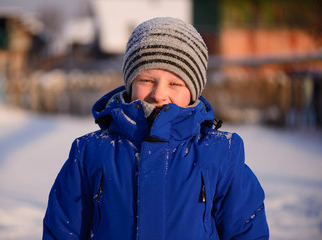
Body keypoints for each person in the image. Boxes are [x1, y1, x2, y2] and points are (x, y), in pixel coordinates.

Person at [43, 17, 269, 239]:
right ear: (130, 83)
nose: (159, 94)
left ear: (194, 91)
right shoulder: (90, 151)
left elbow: (245, 229)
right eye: (147, 80)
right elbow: (63, 228)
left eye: (175, 83)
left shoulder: (220, 152)